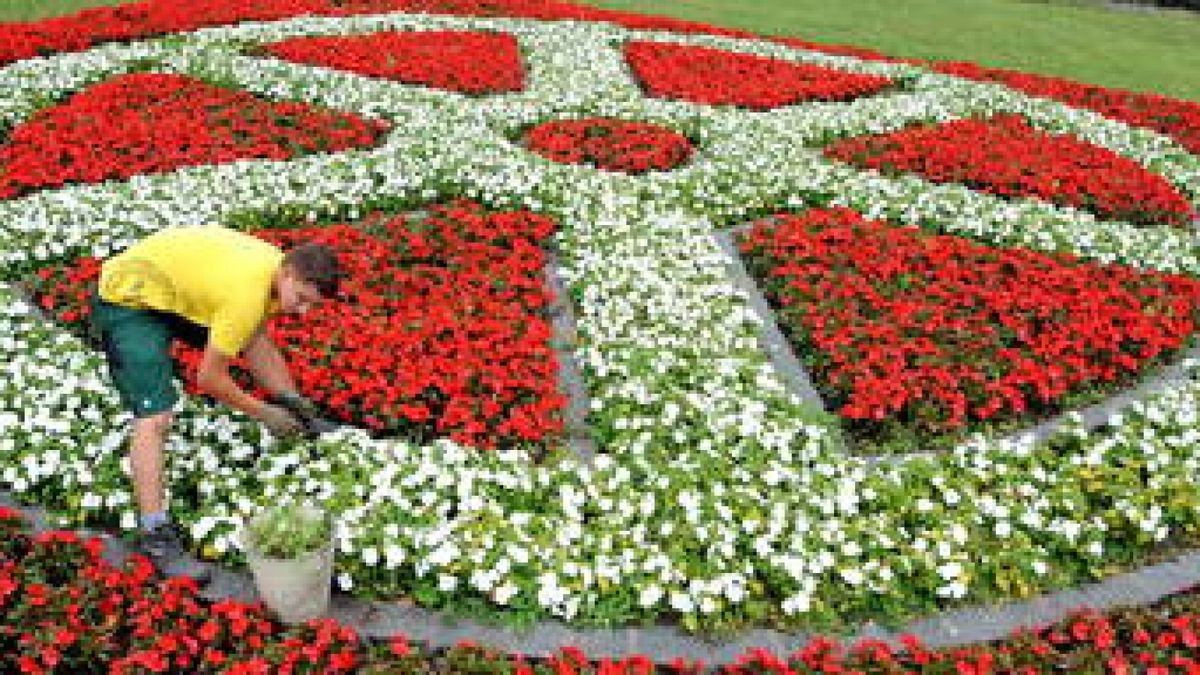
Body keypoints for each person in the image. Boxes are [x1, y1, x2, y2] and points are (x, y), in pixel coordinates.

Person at [90, 226, 341, 582]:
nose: (302, 312)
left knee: (252, 334)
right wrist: (265, 413)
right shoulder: (247, 294)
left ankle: (300, 414)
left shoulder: (272, 270)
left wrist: (291, 404)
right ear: (287, 273)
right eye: (301, 298)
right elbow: (208, 379)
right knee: (155, 416)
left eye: (310, 305)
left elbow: (254, 338)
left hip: (167, 288)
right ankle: (155, 534)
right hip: (128, 299)